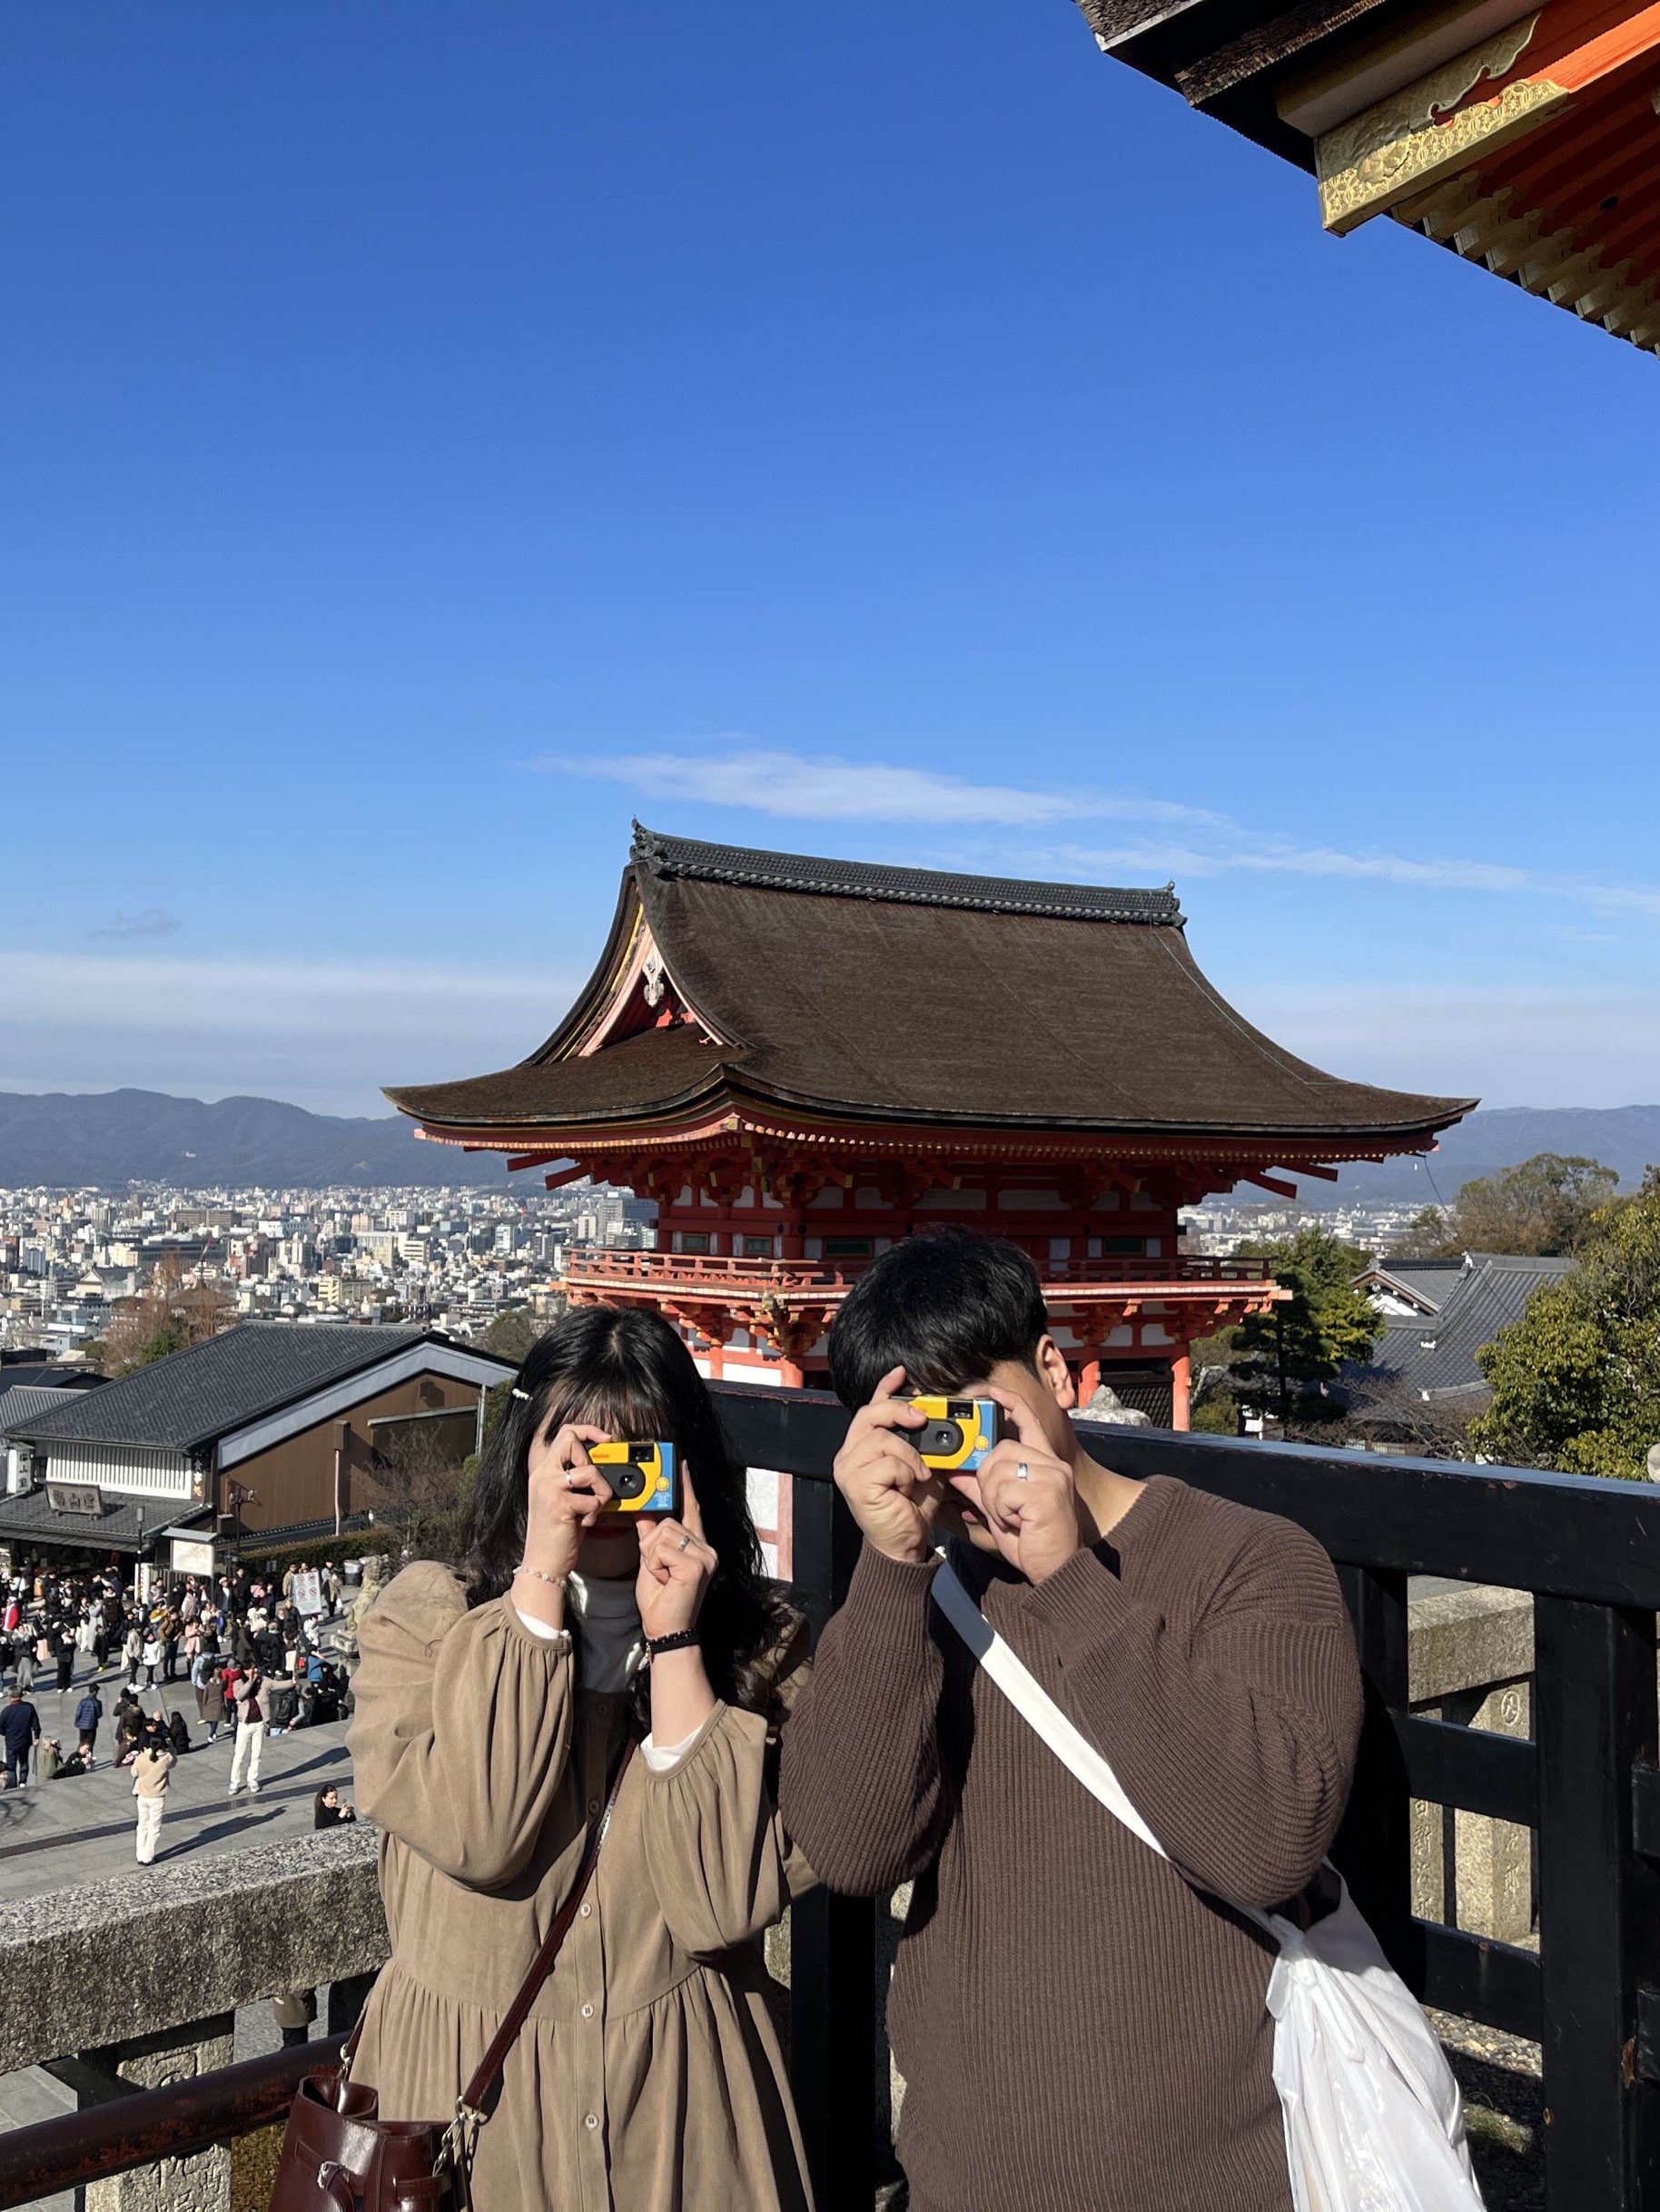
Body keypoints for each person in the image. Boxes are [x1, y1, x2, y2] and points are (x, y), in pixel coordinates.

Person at [778, 1230, 1365, 2212]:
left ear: (1052, 1370)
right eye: (913, 1427)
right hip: (966, 2175)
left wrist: (1067, 1578)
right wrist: (886, 1573)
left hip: (1221, 2182)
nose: (949, 1454)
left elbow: (1271, 1844)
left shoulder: (1251, 1560)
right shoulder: (923, 1594)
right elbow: (847, 1847)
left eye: (966, 1411)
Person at [347, 1305, 815, 2212]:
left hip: (683, 2108)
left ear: (686, 1466)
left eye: (637, 1458)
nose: (600, 1489)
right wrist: (537, 1585)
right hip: (465, 2111)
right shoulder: (425, 1622)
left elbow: (719, 1906)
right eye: (575, 1457)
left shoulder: (765, 1650)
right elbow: (484, 1834)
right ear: (528, 1457)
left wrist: (675, 1640)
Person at [131, 1727, 174, 1864]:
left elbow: (134, 1773)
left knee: (142, 1825)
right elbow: (174, 1762)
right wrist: (171, 1746)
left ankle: (140, 1854)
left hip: (142, 1794)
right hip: (157, 1796)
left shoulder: (141, 1757)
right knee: (154, 1827)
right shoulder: (166, 1758)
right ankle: (148, 1856)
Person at [227, 1664, 265, 1795]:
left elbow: (274, 1685)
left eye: (255, 1669)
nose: (253, 1671)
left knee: (256, 1755)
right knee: (239, 1755)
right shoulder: (239, 1683)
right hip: (245, 1724)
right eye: (250, 1669)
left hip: (258, 1723)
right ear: (244, 1670)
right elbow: (239, 1695)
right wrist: (250, 1681)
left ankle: (252, 1779)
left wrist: (291, 1682)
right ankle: (234, 1782)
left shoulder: (261, 1682)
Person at [1, 1690, 41, 1789]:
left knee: (11, 1766)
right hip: (25, 1741)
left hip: (11, 1742)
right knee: (24, 1762)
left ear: (10, 1697)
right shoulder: (29, 1707)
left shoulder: (6, 1711)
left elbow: (0, 1729)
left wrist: (7, 1733)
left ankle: (13, 1785)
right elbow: (36, 1724)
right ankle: (23, 1782)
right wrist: (36, 1737)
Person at [74, 1685, 103, 1771]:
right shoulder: (97, 1702)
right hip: (92, 1726)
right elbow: (99, 1714)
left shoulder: (82, 1701)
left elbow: (78, 1713)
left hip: (82, 1726)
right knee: (90, 1744)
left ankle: (78, 1760)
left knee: (82, 1743)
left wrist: (77, 1722)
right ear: (95, 1692)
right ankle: (88, 1762)